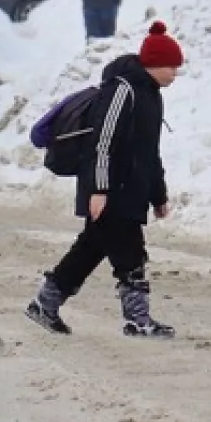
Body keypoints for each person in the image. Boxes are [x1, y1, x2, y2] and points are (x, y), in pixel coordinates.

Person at [27, 21, 183, 339]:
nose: (175, 73)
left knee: (90, 249)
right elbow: (103, 142)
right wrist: (98, 190)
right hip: (111, 191)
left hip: (130, 191)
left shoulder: (152, 97)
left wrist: (158, 195)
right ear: (154, 64)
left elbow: (149, 152)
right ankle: (137, 320)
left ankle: (45, 303)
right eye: (171, 66)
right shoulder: (121, 90)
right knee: (130, 254)